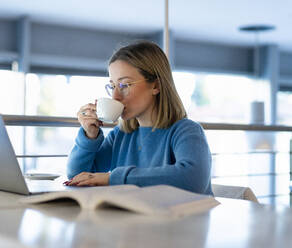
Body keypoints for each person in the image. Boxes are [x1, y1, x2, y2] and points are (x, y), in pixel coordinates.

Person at [65, 41, 213, 195]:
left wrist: (112, 178)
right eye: (112, 86)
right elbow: (78, 177)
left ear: (156, 86)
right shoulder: (120, 135)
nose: (115, 96)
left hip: (184, 218)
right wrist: (89, 137)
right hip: (136, 217)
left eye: (125, 85)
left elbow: (192, 179)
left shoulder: (186, 131)